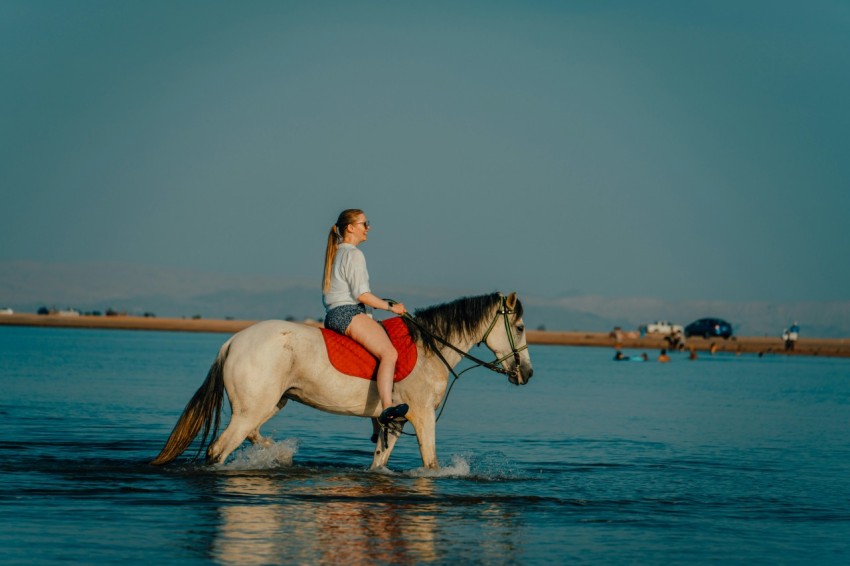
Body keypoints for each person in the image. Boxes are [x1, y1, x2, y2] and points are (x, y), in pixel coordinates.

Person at [322, 209, 409, 426]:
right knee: (389, 353)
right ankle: (387, 407)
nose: (367, 227)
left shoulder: (337, 252)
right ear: (350, 228)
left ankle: (374, 422)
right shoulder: (353, 254)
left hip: (334, 314)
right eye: (364, 223)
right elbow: (362, 295)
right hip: (348, 313)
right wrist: (391, 307)